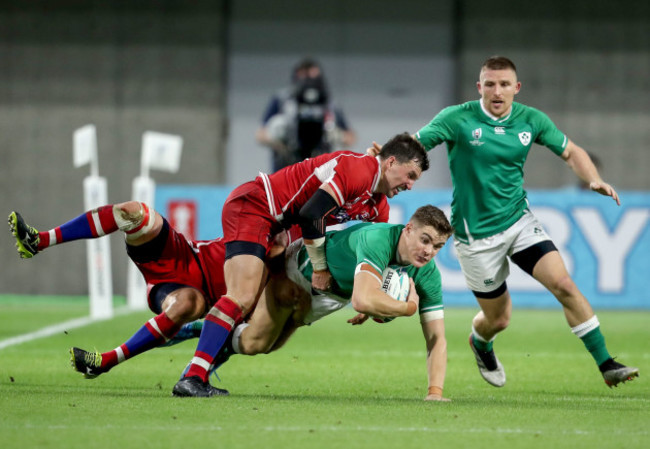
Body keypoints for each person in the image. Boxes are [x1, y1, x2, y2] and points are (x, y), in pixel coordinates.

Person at [369, 56, 639, 388]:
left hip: (518, 221)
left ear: (516, 88)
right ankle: (480, 342)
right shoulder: (458, 118)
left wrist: (593, 179)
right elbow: (416, 143)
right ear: (479, 87)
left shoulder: (531, 120)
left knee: (564, 285)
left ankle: (606, 363)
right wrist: (386, 157)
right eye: (491, 84)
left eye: (505, 84)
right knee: (499, 319)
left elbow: (571, 152)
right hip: (475, 236)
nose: (497, 91)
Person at [172, 133, 429, 397]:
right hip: (257, 206)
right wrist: (320, 268)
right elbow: (311, 214)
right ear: (391, 162)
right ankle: (192, 376)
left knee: (262, 340)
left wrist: (370, 295)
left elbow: (378, 255)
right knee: (242, 297)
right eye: (410, 175)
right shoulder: (358, 168)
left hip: (281, 228)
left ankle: (195, 340)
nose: (410, 185)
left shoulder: (378, 205)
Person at [209, 205, 454, 401]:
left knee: (263, 345)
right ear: (408, 229)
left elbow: (437, 338)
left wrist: (435, 392)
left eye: (438, 246)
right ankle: (205, 339)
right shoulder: (378, 239)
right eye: (425, 240)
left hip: (331, 297)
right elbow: (361, 300)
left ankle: (212, 335)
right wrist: (407, 308)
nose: (429, 251)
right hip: (302, 273)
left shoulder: (428, 274)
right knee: (255, 342)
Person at [8, 203, 230, 395]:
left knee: (188, 304)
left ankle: (107, 361)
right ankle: (39, 241)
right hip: (183, 252)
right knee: (132, 212)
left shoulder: (262, 280)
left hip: (185, 292)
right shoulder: (258, 233)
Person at [256, 57, 356, 172]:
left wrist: (337, 135)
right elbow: (260, 134)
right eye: (305, 77)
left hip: (320, 171)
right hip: (286, 168)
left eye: (313, 77)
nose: (309, 82)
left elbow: (350, 137)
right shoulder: (282, 100)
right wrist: (277, 138)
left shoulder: (328, 104)